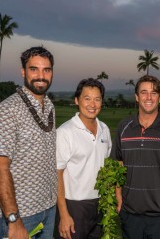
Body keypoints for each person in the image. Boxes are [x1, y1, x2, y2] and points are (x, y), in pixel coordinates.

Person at [0, 46, 57, 238]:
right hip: (19, 214)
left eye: (46, 70)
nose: (41, 75)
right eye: (34, 69)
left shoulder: (49, 107)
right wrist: (13, 220)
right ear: (23, 72)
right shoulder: (7, 111)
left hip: (47, 209)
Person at [110, 75, 160, 239]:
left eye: (153, 93)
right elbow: (118, 163)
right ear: (137, 97)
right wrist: (119, 198)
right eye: (144, 92)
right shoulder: (124, 127)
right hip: (131, 214)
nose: (149, 97)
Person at [54, 78, 112, 239]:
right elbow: (57, 174)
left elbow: (106, 166)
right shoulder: (65, 132)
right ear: (76, 100)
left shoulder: (104, 129)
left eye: (97, 99)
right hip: (74, 206)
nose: (92, 105)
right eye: (87, 99)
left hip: (99, 205)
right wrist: (64, 215)